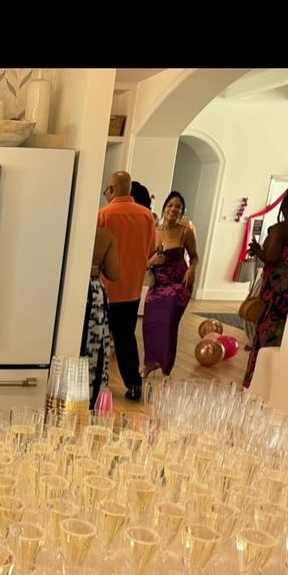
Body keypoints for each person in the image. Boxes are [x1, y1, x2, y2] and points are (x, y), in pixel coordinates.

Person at [243, 176, 288, 390]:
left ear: (286, 203)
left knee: (266, 337)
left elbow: (272, 258)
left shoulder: (281, 228)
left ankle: (257, 384)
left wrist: (257, 250)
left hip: (275, 294)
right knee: (284, 339)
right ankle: (278, 384)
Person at [97, 170, 157, 400]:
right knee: (126, 338)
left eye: (106, 191)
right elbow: (151, 249)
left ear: (112, 189)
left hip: (106, 287)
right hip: (132, 289)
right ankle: (133, 385)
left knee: (100, 338)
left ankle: (98, 384)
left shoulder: (104, 214)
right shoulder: (146, 216)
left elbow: (95, 251)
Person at [142, 190, 199, 377]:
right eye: (170, 205)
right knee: (149, 324)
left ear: (182, 211)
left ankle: (166, 368)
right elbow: (143, 260)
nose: (173, 209)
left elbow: (195, 257)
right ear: (164, 207)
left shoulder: (185, 232)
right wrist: (151, 262)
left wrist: (192, 269)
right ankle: (150, 362)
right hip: (158, 285)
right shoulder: (154, 231)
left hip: (178, 285)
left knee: (168, 325)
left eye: (178, 207)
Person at [81, 224, 119, 408]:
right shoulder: (104, 235)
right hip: (92, 293)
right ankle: (87, 403)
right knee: (92, 356)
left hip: (62, 288)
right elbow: (114, 272)